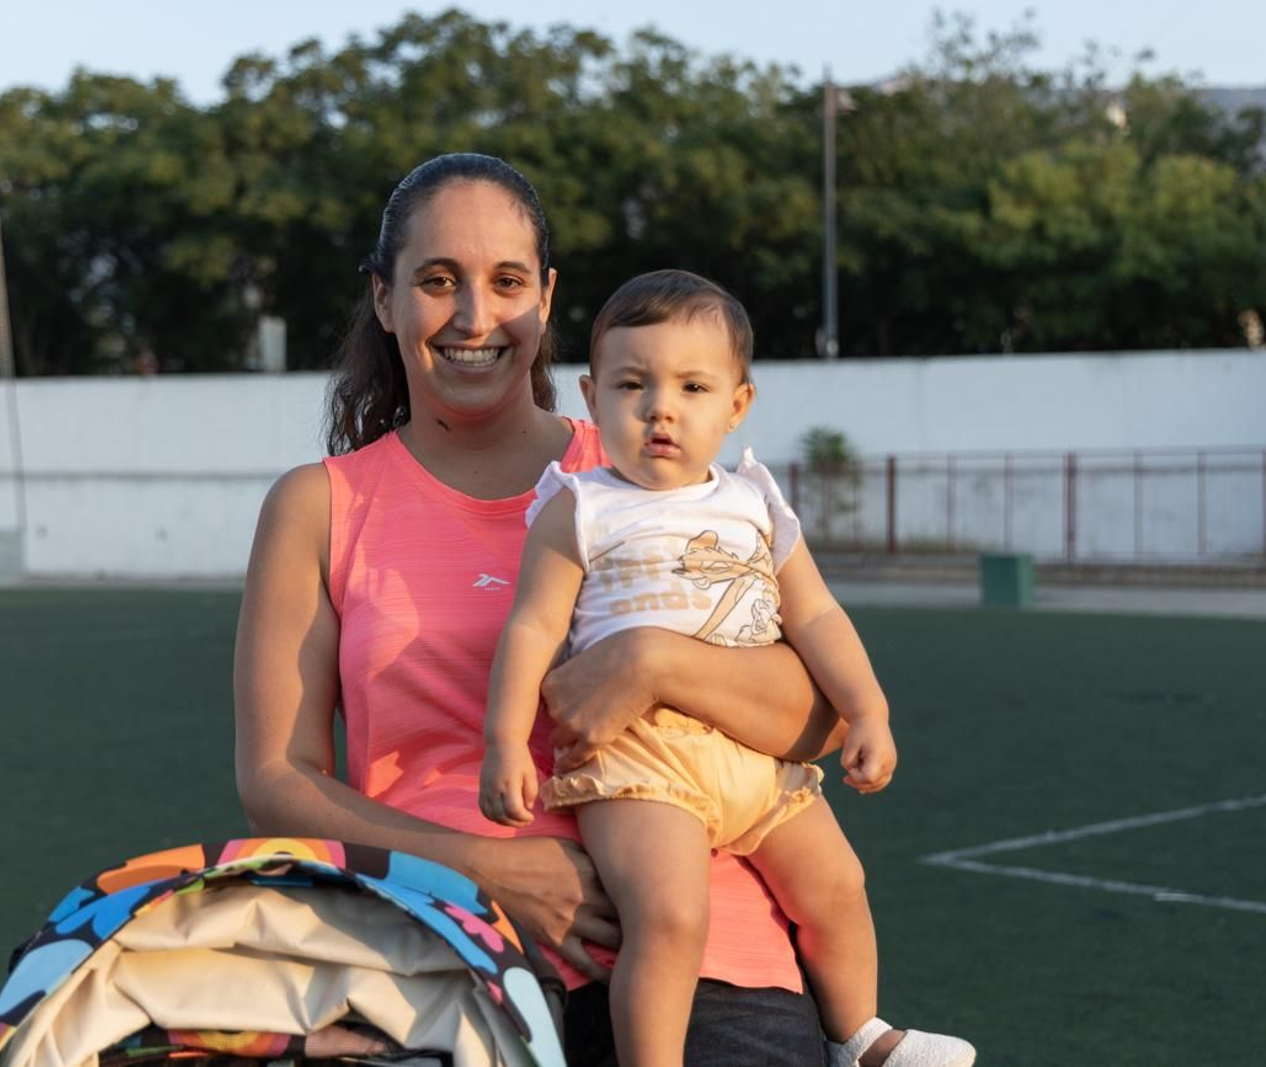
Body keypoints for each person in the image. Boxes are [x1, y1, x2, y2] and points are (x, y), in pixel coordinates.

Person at [233, 154, 851, 1066]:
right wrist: (480, 870)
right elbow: (276, 781)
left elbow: (821, 720)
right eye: (437, 281)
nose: (476, 317)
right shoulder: (320, 506)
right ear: (383, 298)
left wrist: (653, 660)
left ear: (548, 296)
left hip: (711, 956)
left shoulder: (665, 464)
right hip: (444, 950)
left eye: (507, 281)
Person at [479, 270, 975, 1067]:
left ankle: (859, 1035)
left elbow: (815, 615)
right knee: (671, 919)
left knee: (838, 885)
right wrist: (505, 741)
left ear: (737, 404)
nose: (660, 408)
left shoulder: (755, 502)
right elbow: (532, 625)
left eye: (693, 386)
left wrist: (870, 709)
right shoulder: (581, 506)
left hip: (754, 755)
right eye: (632, 384)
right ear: (592, 394)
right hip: (642, 763)